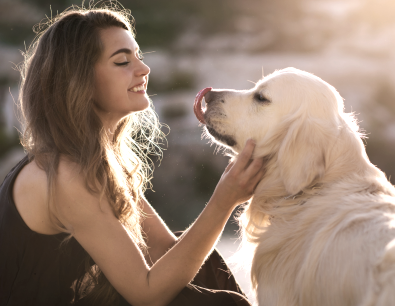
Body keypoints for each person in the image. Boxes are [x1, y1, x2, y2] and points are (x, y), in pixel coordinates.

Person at [0, 4, 264, 306]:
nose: (144, 68)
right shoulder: (64, 175)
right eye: (123, 61)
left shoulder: (99, 161)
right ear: (78, 79)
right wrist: (224, 200)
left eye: (138, 55)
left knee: (206, 264)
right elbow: (147, 294)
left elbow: (165, 250)